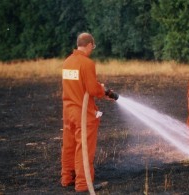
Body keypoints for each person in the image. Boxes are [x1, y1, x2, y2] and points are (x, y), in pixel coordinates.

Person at [61, 32, 111, 192]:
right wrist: (103, 90)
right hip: (83, 113)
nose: (92, 50)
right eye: (93, 47)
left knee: (69, 146)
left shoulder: (67, 62)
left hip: (68, 112)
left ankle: (67, 178)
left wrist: (98, 88)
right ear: (89, 44)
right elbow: (92, 88)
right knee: (84, 148)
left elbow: (80, 85)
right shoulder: (87, 63)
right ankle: (82, 184)